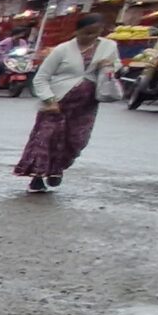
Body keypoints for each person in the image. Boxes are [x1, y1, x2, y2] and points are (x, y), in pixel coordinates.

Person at [16, 12, 120, 194]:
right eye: (86, 33)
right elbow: (41, 78)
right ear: (77, 32)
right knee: (46, 139)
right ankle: (38, 176)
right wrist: (49, 99)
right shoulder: (62, 50)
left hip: (86, 106)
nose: (91, 37)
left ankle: (57, 169)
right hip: (57, 103)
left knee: (75, 140)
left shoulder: (109, 46)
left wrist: (108, 65)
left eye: (95, 33)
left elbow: (116, 65)